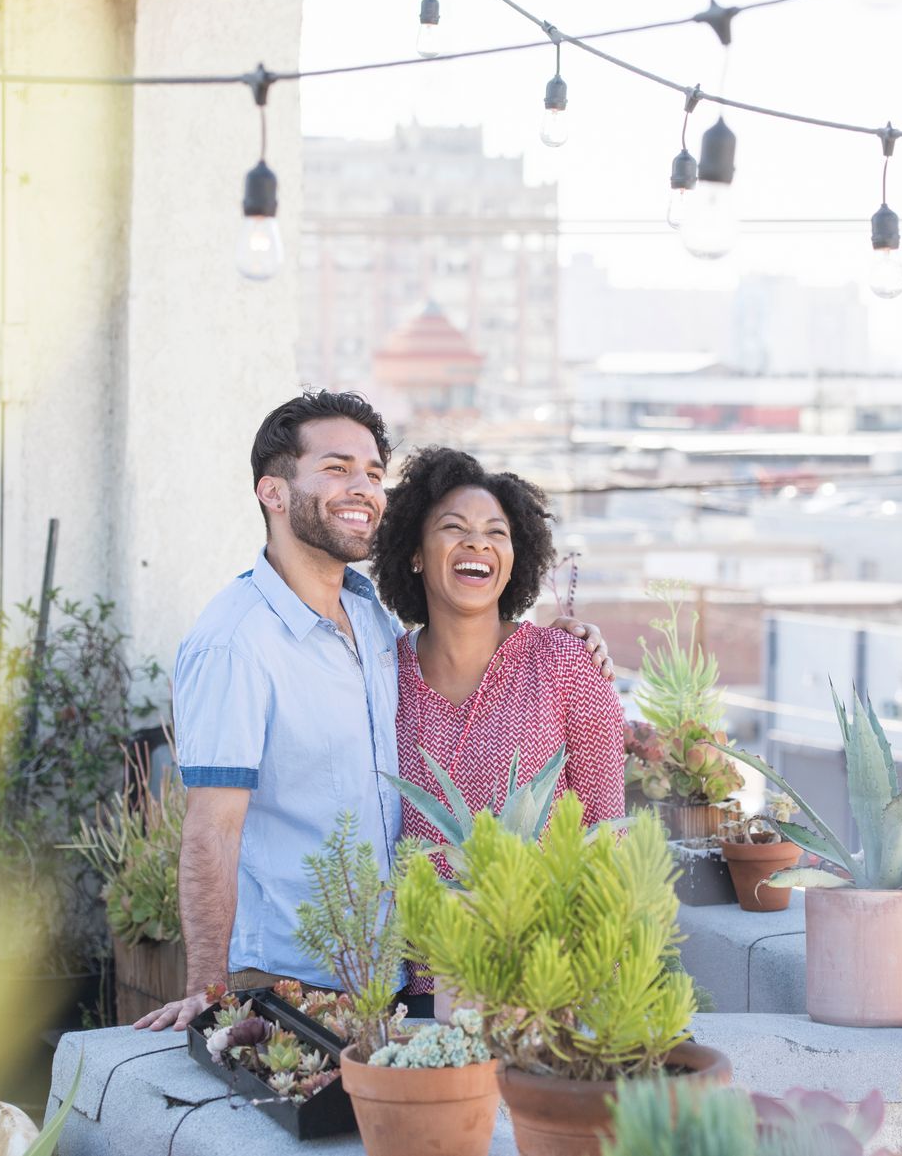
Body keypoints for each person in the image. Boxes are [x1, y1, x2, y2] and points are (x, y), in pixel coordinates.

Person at [134, 392, 611, 1032]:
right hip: (292, 983)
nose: (361, 487)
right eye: (335, 468)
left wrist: (570, 646)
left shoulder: (374, 626)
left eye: (373, 473)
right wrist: (204, 991)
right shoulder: (235, 644)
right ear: (272, 493)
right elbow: (211, 829)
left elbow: (602, 835)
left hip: (399, 981)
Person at [370, 447, 626, 933]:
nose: (478, 543)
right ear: (416, 555)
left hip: (542, 972)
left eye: (496, 532)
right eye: (453, 527)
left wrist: (597, 985)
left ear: (514, 560)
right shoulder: (382, 674)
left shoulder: (564, 664)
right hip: (418, 978)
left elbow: (605, 834)